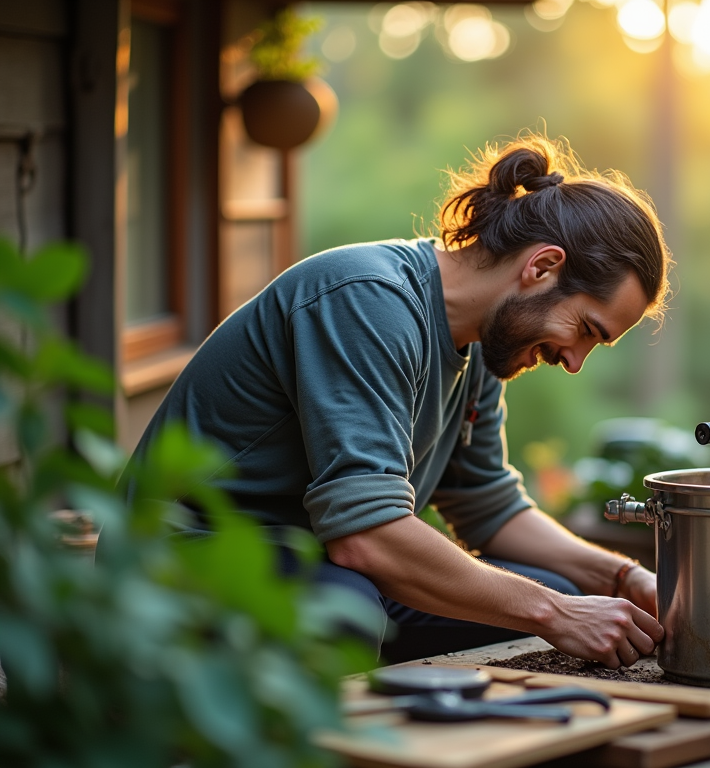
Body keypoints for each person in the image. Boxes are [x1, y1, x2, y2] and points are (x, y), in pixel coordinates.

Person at [122, 133, 673, 668]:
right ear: (542, 267)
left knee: (552, 587)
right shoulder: (368, 301)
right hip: (181, 553)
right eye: (585, 330)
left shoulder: (481, 345)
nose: (575, 361)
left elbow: (489, 506)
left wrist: (623, 579)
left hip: (311, 557)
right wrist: (558, 615)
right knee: (348, 612)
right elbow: (366, 537)